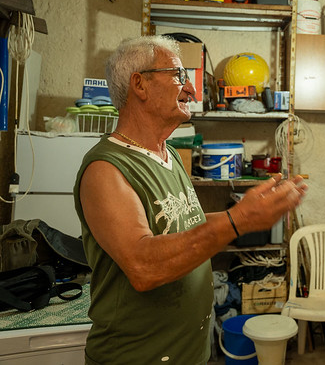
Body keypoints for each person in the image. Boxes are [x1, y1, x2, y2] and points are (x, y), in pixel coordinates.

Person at [74, 35, 306, 365]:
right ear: (140, 84)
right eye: (179, 76)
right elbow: (143, 267)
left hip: (188, 353)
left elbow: (190, 228)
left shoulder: (166, 153)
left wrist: (245, 212)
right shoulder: (106, 169)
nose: (191, 90)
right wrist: (238, 220)